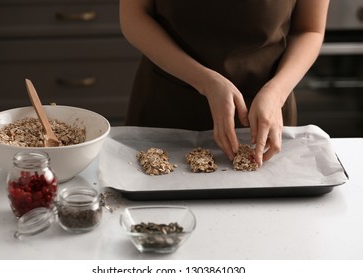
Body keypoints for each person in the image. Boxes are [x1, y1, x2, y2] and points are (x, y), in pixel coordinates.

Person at [119, 0, 329, 166]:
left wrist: (276, 92)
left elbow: (309, 30)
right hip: (167, 106)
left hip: (263, 110)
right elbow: (134, 15)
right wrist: (205, 81)